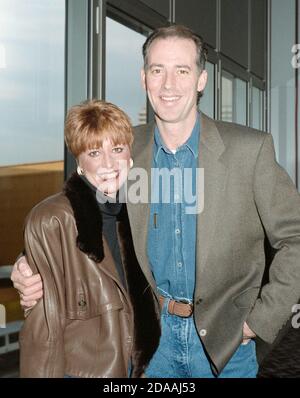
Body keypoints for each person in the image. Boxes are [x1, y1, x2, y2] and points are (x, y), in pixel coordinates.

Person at [12, 24, 300, 378]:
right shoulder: (124, 149)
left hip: (227, 347)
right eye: (157, 70)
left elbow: (295, 238)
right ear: (143, 78)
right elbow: (77, 210)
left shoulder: (249, 150)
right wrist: (30, 263)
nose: (168, 84)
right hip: (152, 344)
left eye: (182, 70)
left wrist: (259, 321)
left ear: (201, 80)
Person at [14, 100, 160, 378]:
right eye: (94, 152)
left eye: (117, 149)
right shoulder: (52, 219)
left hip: (144, 368)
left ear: (130, 156)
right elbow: (44, 330)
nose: (108, 163)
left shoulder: (143, 212)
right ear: (79, 163)